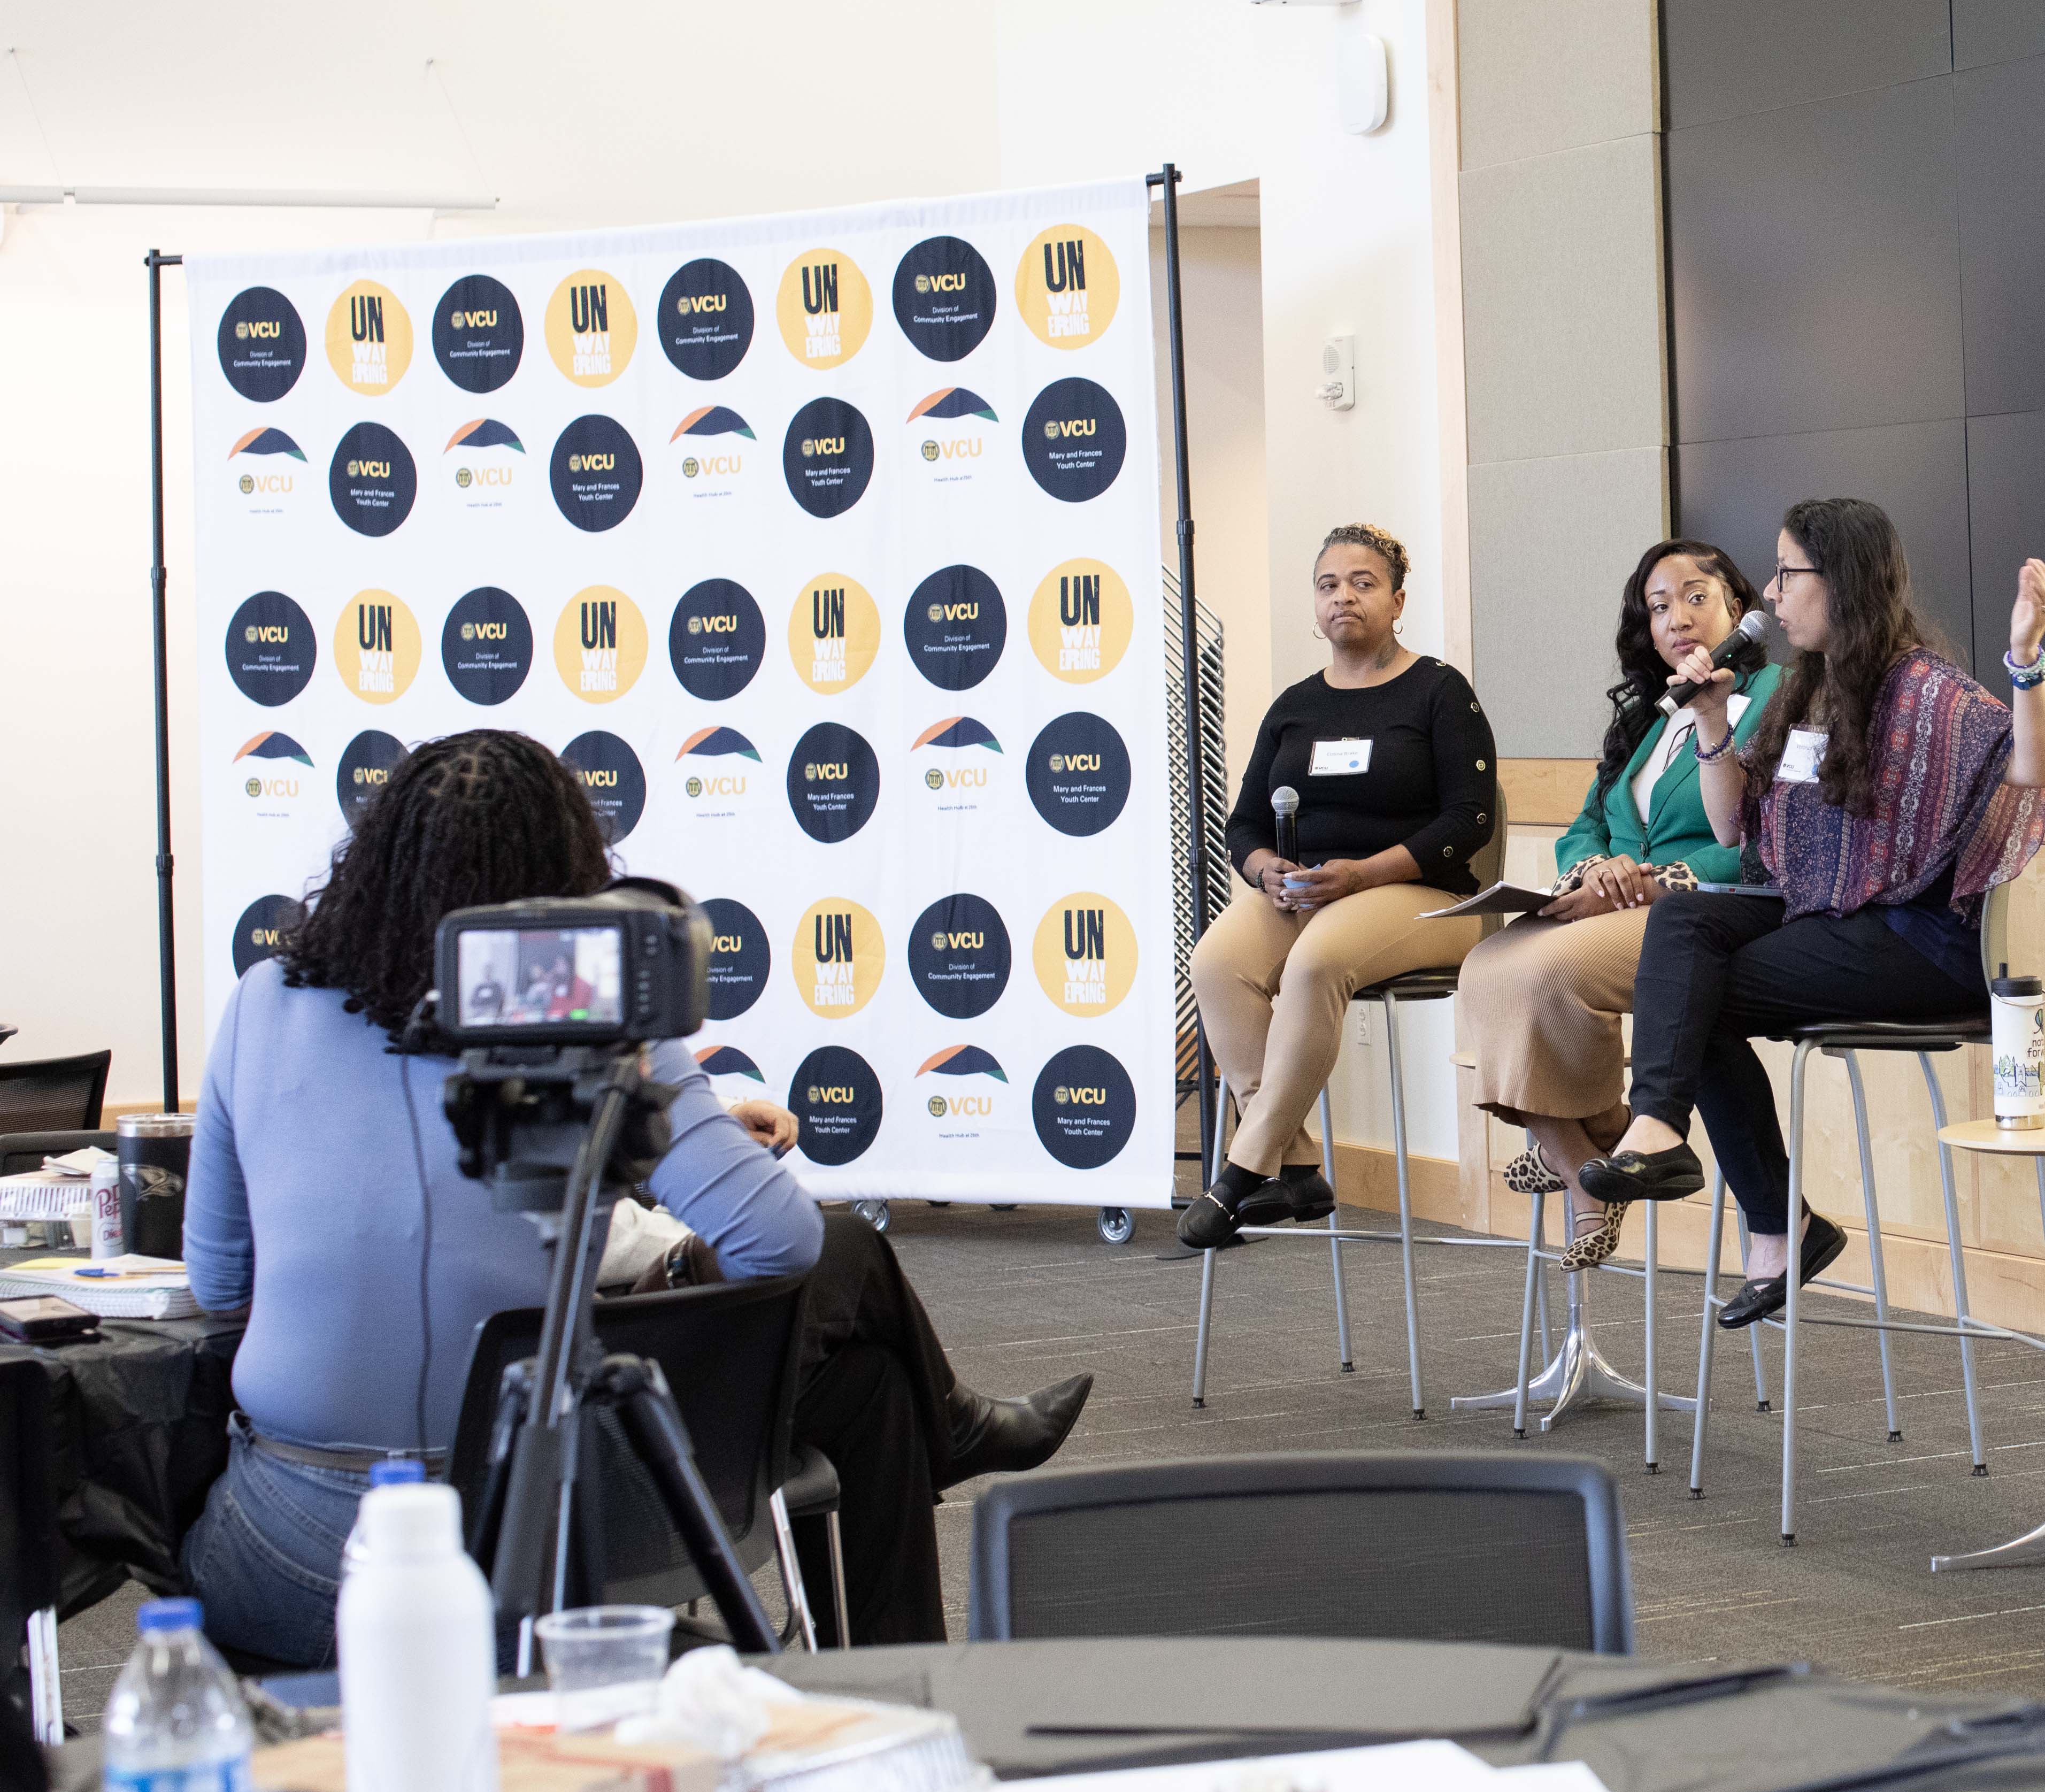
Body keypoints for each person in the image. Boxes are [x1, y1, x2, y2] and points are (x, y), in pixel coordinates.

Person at [181, 729, 1089, 1663]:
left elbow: (217, 1282)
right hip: (523, 1549)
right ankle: (899, 1678)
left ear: (371, 869)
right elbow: (780, 1243)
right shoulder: (590, 1018)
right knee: (854, 1316)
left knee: (866, 1384)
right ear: (566, 891)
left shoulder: (261, 1004)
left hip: (284, 1557)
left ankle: (927, 1521)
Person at [1578, 500, 2045, 1326]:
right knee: (1686, 926)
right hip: (1825, 919)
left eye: (1786, 572)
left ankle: (1774, 1226)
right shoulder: (1805, 691)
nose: (1770, 591)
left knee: (1698, 1001)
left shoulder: (1923, 689)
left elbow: (2033, 763)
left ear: (1839, 580)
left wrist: (2025, 662)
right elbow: (1738, 830)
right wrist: (1709, 720)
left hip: (1918, 939)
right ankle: (1663, 1131)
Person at [1461, 540, 1783, 1271]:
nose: (1678, 619)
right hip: (1618, 904)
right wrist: (1594, 868)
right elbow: (1586, 826)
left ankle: (1586, 1164)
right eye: (1659, 607)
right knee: (1484, 965)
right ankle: (1593, 1139)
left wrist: (1654, 876)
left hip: (1705, 910)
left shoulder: (1778, 696)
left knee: (1536, 975)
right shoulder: (1648, 712)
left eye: (1696, 597)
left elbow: (1769, 838)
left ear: (1738, 604)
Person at [1180, 524, 1498, 1252]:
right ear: (1315, 605)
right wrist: (1268, 871)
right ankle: (1294, 1164)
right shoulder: (1296, 704)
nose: (1343, 597)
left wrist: (1363, 873)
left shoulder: (1438, 692)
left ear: (1397, 601)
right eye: (1329, 585)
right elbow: (1244, 825)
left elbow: (1469, 820)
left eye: (1363, 583)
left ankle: (1242, 1170)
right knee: (1216, 962)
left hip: (1425, 894)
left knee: (1315, 964)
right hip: (1304, 895)